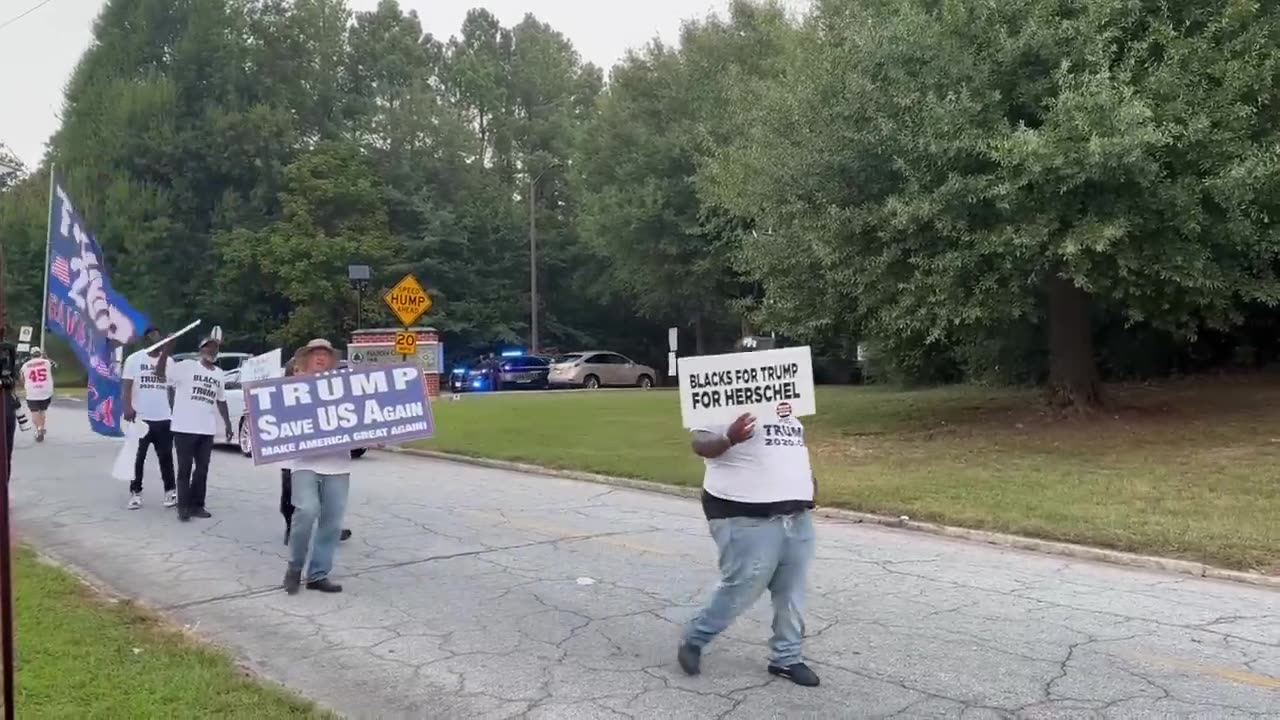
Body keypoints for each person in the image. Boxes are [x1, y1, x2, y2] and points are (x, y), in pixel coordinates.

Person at [677, 409, 821, 688]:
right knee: (742, 585)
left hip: (795, 515)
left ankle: (787, 658)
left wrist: (808, 486)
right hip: (741, 513)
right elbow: (701, 444)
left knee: (792, 590)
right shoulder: (721, 403)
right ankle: (694, 638)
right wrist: (730, 438)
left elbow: (792, 452)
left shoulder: (788, 412)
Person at [283, 338, 350, 595]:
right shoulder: (292, 388)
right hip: (304, 464)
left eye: (325, 354)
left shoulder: (346, 388)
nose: (320, 357)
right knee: (306, 512)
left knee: (331, 524)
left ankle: (318, 574)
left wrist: (373, 434)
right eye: (315, 354)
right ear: (306, 359)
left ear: (331, 360)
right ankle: (294, 568)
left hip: (338, 464)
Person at [277, 357, 352, 546]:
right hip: (292, 458)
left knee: (324, 499)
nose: (300, 373)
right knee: (291, 497)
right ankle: (290, 529)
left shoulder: (322, 391)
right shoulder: (281, 395)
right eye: (296, 370)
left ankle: (329, 529)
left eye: (302, 369)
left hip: (320, 459)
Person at [158, 335, 231, 522]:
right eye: (208, 347)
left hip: (206, 429)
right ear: (201, 350)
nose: (212, 350)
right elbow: (160, 374)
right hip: (184, 427)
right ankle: (183, 508)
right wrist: (167, 349)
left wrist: (228, 423)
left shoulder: (219, 374)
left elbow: (221, 401)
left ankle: (197, 505)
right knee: (184, 468)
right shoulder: (187, 366)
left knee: (202, 470)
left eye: (215, 348)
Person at [122, 327, 178, 509]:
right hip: (141, 417)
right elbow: (127, 386)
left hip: (163, 417)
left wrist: (173, 413)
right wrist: (128, 407)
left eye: (158, 336)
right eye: (152, 337)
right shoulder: (134, 359)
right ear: (145, 340)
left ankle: (170, 491)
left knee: (166, 457)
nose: (156, 340)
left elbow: (165, 380)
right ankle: (135, 492)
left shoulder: (168, 361)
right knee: (138, 458)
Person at [19, 347, 54, 442]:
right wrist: (46, 356)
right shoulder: (46, 362)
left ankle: (39, 429)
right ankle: (41, 428)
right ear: (40, 354)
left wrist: (25, 385)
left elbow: (21, 378)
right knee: (42, 411)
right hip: (46, 391)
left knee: (34, 412)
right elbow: (55, 365)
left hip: (32, 391)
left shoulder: (25, 365)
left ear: (31, 355)